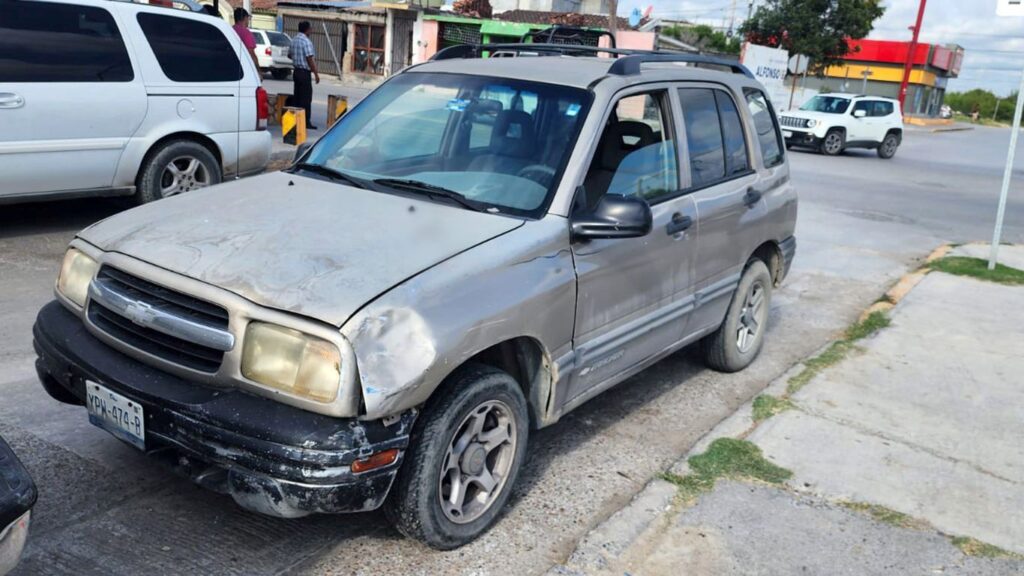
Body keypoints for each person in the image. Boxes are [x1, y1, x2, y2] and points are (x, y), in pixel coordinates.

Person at [289, 21, 320, 130]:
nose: (311, 30)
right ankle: (306, 121)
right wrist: (316, 73)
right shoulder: (306, 42)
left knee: (297, 97)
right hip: (304, 72)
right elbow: (310, 58)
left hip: (296, 71)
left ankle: (296, 120)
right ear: (307, 29)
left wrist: (297, 58)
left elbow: (289, 55)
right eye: (311, 28)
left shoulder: (293, 40)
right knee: (306, 98)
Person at [232, 8, 260, 75]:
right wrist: (258, 71)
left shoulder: (231, 29)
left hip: (231, 66)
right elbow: (251, 54)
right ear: (245, 18)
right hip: (243, 69)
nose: (248, 20)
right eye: (248, 18)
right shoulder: (246, 33)